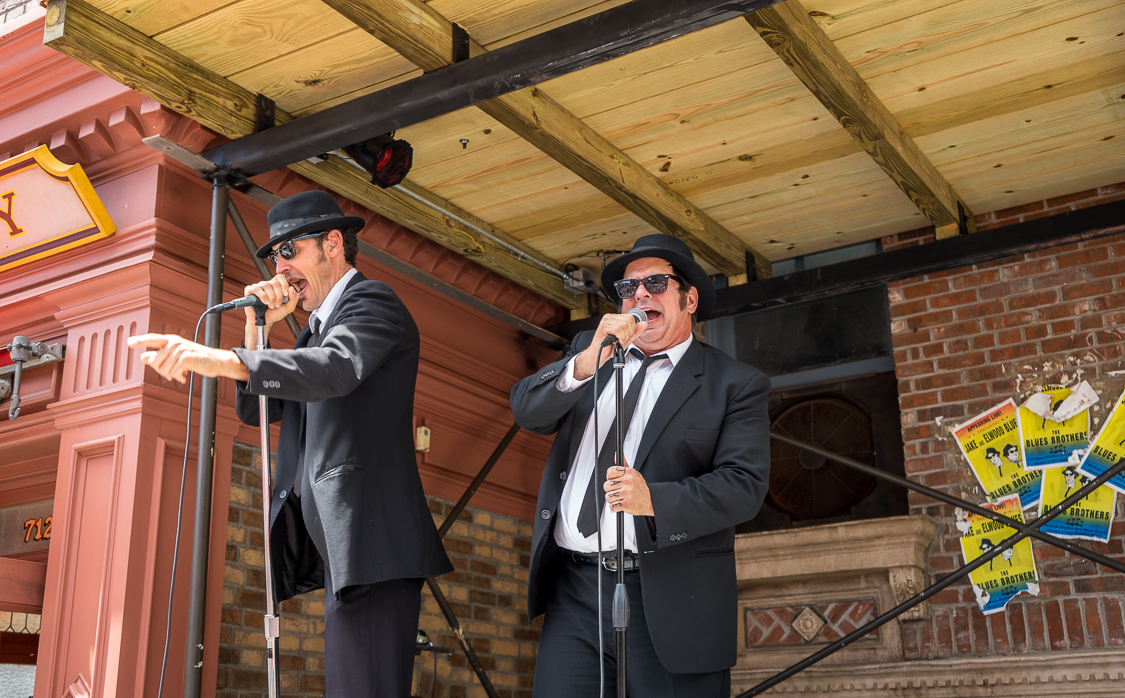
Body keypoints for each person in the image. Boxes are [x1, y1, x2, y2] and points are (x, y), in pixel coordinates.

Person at [129, 190, 452, 697]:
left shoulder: (372, 301)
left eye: (290, 251)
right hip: (344, 547)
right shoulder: (310, 333)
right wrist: (256, 328)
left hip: (371, 537)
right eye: (273, 257)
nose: (280, 269)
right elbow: (258, 409)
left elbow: (335, 370)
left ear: (333, 244)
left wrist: (214, 358)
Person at [510, 234, 771, 696]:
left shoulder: (733, 384)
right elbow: (527, 411)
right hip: (575, 591)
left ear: (689, 299)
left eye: (655, 283)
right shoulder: (593, 356)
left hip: (671, 596)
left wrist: (655, 499)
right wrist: (585, 362)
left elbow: (744, 485)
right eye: (628, 289)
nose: (640, 296)